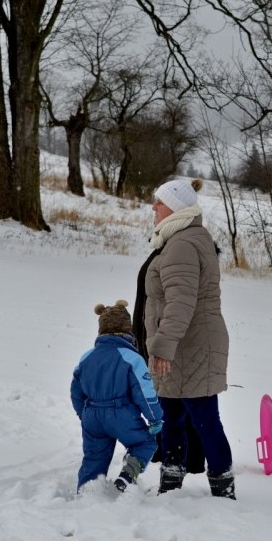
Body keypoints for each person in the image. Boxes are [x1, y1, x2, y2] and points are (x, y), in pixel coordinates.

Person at [143, 178, 235, 499]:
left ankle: (223, 490)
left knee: (205, 421)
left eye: (159, 201)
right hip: (183, 345)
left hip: (190, 347)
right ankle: (171, 483)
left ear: (177, 208)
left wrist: (163, 346)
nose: (153, 207)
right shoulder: (185, 238)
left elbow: (180, 302)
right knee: (172, 420)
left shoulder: (182, 244)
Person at [71, 300, 163, 492]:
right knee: (145, 442)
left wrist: (84, 415)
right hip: (121, 415)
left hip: (92, 417)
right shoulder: (131, 357)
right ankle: (127, 476)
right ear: (128, 330)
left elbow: (76, 391)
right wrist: (155, 418)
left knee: (94, 457)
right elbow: (144, 393)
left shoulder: (86, 357)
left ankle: (87, 491)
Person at [133, 247, 207, 476]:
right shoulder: (160, 255)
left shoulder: (180, 257)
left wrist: (164, 342)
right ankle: (165, 452)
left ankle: (191, 460)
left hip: (172, 343)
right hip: (153, 340)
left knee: (186, 400)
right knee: (163, 398)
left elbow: (179, 306)